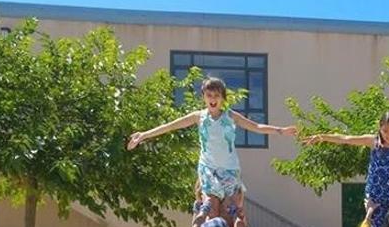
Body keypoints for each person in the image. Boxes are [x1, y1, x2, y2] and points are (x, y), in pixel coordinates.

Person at [127, 77, 297, 218]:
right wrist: (143, 135)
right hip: (208, 168)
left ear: (222, 98)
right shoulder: (198, 117)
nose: (213, 99)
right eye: (209, 95)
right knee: (211, 209)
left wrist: (280, 130)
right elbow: (170, 126)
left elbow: (257, 127)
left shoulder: (231, 116)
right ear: (204, 97)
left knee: (231, 212)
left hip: (229, 169)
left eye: (216, 95)